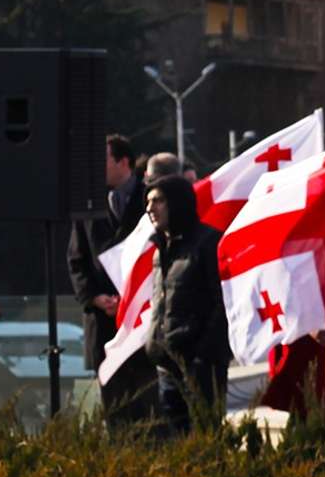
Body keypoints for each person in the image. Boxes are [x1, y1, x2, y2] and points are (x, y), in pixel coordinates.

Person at [69, 135, 151, 422]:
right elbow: (76, 260)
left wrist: (131, 300)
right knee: (115, 412)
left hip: (142, 325)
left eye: (102, 159)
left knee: (148, 411)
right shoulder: (89, 204)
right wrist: (93, 297)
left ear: (123, 161)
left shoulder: (149, 199)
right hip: (104, 324)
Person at [141, 176, 230, 434]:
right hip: (167, 366)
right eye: (148, 202)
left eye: (158, 200)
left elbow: (223, 303)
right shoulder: (160, 248)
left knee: (205, 438)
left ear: (177, 203)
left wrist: (203, 354)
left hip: (200, 366)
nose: (150, 208)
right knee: (176, 445)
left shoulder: (208, 243)